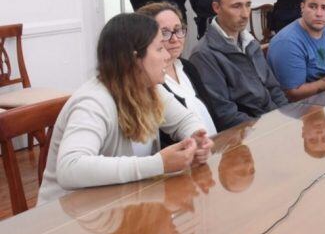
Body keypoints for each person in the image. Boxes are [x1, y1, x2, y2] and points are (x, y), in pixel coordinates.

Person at [38, 13, 213, 205]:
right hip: (67, 221)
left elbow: (184, 120)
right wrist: (158, 164)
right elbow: (70, 168)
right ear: (135, 59)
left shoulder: (148, 89)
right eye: (159, 48)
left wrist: (197, 139)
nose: (166, 55)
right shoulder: (93, 102)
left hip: (117, 206)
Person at [190, 0, 288, 130]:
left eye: (248, 5)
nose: (245, 14)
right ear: (216, 7)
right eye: (236, 6)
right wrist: (268, 127)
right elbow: (224, 114)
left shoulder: (251, 43)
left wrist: (286, 118)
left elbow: (274, 89)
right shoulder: (204, 54)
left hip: (271, 124)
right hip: (245, 137)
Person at [136, 2, 217, 137]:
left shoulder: (188, 67)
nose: (175, 39)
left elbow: (213, 114)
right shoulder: (151, 79)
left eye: (178, 30)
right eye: (165, 33)